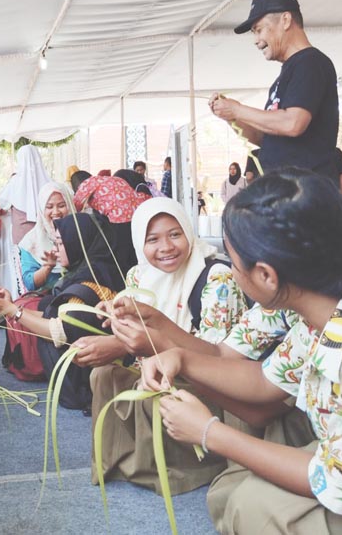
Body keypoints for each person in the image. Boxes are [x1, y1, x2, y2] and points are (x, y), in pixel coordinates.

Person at [140, 168, 342, 533]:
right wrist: (180, 358)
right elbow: (264, 380)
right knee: (232, 491)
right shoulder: (325, 312)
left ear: (265, 275)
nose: (230, 271)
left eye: (233, 261)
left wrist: (210, 432)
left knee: (255, 507)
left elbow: (339, 483)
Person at [82, 198, 248, 493]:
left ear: (188, 231)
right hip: (153, 364)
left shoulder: (216, 277)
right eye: (153, 239)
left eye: (175, 234)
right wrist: (118, 327)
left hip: (203, 377)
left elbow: (217, 357)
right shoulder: (138, 275)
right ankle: (123, 462)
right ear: (138, 243)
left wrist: (128, 346)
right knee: (102, 375)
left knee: (151, 389)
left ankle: (185, 468)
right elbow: (135, 333)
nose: (167, 248)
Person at [0, 213, 124, 412]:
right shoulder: (93, 270)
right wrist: (10, 307)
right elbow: (53, 317)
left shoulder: (89, 283)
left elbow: (58, 332)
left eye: (60, 243)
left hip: (84, 384)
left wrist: (12, 310)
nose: (55, 250)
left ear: (79, 242)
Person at [209, 0, 339, 183]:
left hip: (307, 193)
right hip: (284, 191)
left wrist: (238, 109)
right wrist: (232, 116)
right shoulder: (285, 75)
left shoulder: (311, 62)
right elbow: (264, 137)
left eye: (259, 29)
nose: (256, 40)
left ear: (285, 20)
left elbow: (292, 123)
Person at [0, 145, 52, 299]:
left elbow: (1, 202)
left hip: (21, 233)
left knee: (23, 270)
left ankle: (24, 301)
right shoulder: (48, 181)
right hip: (45, 234)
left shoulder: (15, 182)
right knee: (46, 264)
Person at [72, 170, 148, 274]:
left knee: (119, 257)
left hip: (118, 218)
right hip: (136, 215)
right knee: (133, 252)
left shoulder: (87, 184)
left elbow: (74, 206)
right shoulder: (111, 179)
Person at [18, 182, 72, 294]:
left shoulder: (82, 234)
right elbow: (30, 283)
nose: (56, 212)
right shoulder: (31, 241)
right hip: (47, 300)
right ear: (42, 210)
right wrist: (48, 267)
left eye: (62, 206)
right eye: (49, 207)